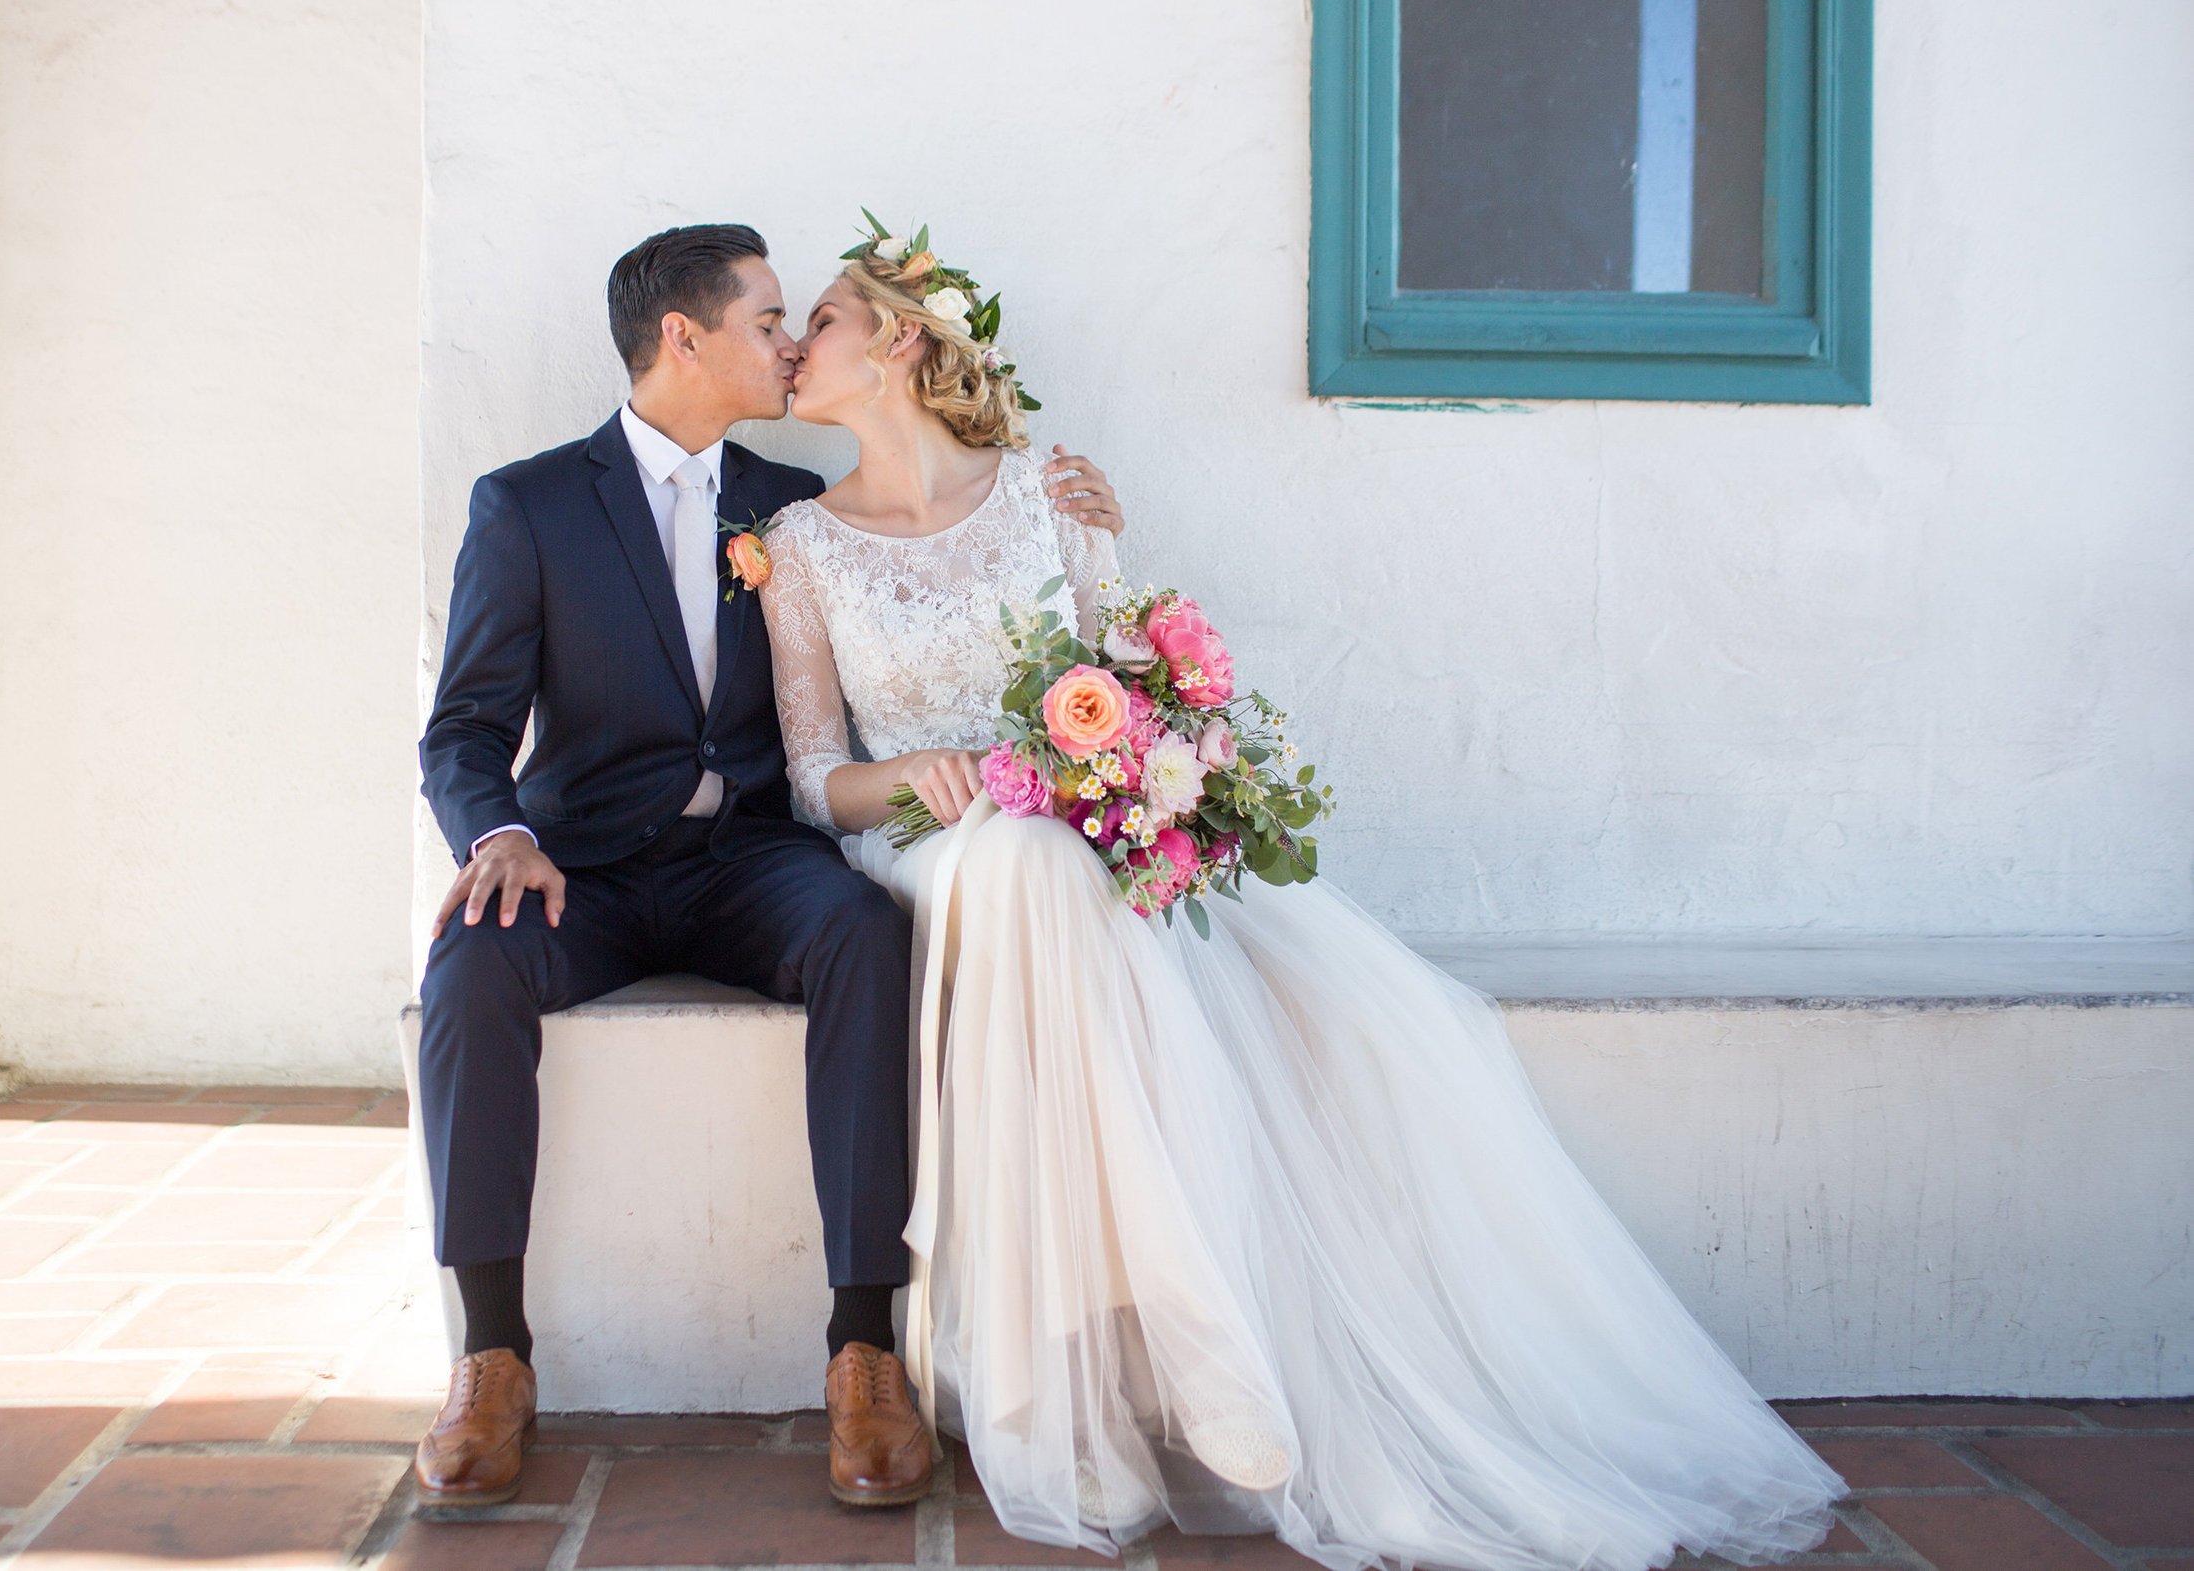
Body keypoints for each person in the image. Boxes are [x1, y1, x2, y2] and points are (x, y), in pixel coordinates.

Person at [754, 226, 1849, 1568]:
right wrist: (919, 773)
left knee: (1091, 885)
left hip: (1064, 833)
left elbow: (1112, 689)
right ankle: (1186, 1333)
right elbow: (814, 779)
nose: (797, 344)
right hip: (928, 842)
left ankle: (1131, 1360)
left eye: (820, 317)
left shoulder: (1052, 493)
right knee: (1028, 864)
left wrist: (1117, 766)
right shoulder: (800, 540)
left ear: (902, 338)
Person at [410, 223, 1128, 1510]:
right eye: (763, 319)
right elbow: (463, 726)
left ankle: (863, 1347)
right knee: (467, 959)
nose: (789, 342)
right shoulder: (525, 505)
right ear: (681, 337)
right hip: (581, 864)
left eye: (802, 319)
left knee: (861, 928)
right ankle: (491, 1354)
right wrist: (498, 833)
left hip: (748, 855)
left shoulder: (784, 506)